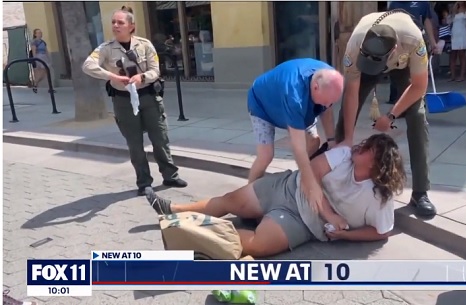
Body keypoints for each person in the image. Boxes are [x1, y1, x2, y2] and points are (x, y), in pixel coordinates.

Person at [146, 134, 406, 257]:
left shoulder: (378, 198)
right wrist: (331, 214)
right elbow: (310, 173)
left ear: (376, 164)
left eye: (369, 148)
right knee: (232, 201)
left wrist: (345, 235)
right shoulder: (344, 155)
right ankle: (175, 209)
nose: (361, 145)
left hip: (303, 221)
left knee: (258, 246)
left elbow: (381, 232)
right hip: (288, 186)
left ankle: (187, 233)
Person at [336, 10, 436, 216]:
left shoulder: (414, 41)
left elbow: (419, 86)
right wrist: (347, 139)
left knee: (417, 116)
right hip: (367, 61)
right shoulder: (354, 46)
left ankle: (420, 193)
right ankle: (337, 176)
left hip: (403, 64)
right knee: (344, 118)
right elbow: (351, 95)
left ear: (394, 50)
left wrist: (390, 115)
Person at [82, 6, 187, 196]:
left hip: (149, 97)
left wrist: (142, 77)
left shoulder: (145, 45)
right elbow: (87, 65)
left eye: (120, 22)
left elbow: (156, 70)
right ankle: (144, 182)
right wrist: (111, 76)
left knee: (160, 138)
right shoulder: (106, 48)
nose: (115, 26)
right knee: (135, 143)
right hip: (123, 101)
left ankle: (170, 175)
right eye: (113, 22)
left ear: (131, 26)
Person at [247, 58, 344, 212]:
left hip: (299, 106)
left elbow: (327, 110)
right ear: (316, 87)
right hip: (262, 105)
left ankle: (297, 179)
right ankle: (247, 196)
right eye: (325, 101)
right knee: (266, 155)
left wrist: (332, 140)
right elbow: (298, 147)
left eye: (330, 102)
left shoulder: (329, 78)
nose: (326, 105)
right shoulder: (294, 95)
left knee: (313, 141)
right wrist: (311, 185)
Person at [386, 1, 439, 105]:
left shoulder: (422, 3)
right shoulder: (394, 4)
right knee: (400, 74)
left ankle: (419, 104)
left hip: (418, 42)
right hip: (400, 43)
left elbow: (427, 21)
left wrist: (433, 42)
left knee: (418, 73)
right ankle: (400, 104)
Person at [448, 2, 466, 82]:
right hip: (454, 33)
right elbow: (449, 20)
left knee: (461, 55)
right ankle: (452, 76)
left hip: (462, 33)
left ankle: (462, 76)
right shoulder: (455, 9)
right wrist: (454, 7)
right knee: (453, 55)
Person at [29, 29, 55, 94]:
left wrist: (49, 58)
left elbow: (46, 50)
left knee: (46, 73)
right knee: (43, 72)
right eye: (38, 33)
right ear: (35, 34)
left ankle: (36, 84)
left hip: (44, 57)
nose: (40, 34)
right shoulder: (34, 42)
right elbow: (34, 51)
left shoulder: (43, 42)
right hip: (39, 57)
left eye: (41, 32)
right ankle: (36, 84)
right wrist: (35, 60)